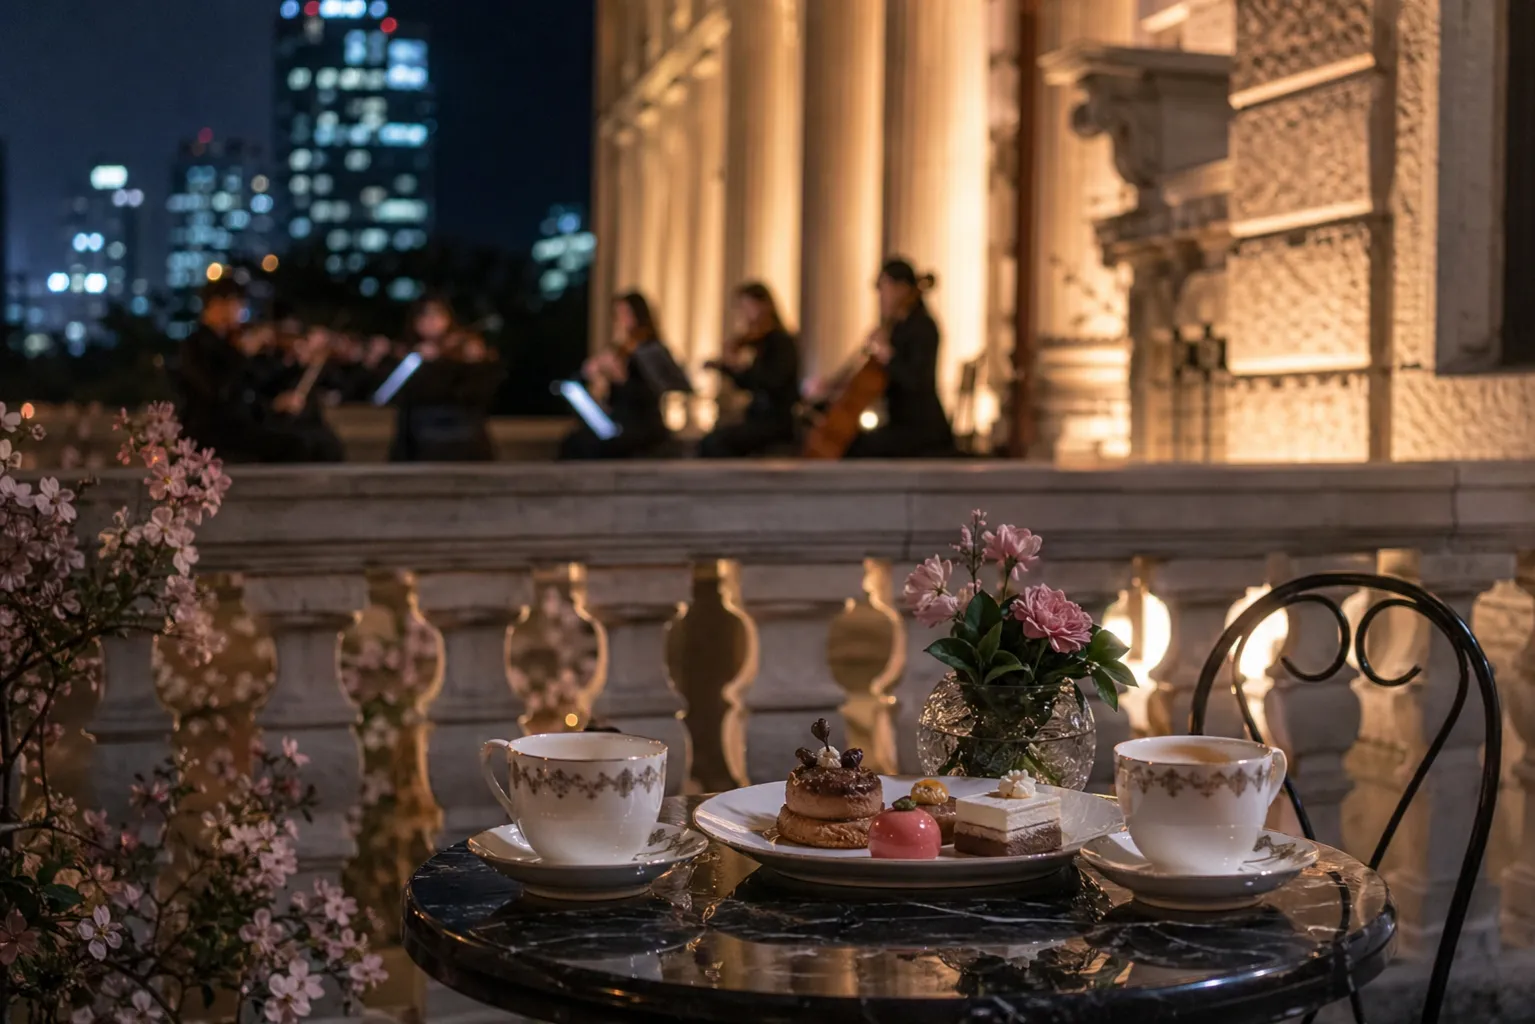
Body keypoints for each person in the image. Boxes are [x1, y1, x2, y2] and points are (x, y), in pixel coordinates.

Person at [174, 279, 341, 463]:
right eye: (237, 303)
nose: (241, 310)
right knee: (299, 445)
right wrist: (241, 354)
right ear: (217, 304)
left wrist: (295, 364)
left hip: (247, 421)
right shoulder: (195, 345)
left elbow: (259, 380)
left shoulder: (229, 343)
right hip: (218, 430)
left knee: (322, 438)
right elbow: (217, 391)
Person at [841, 258, 956, 459]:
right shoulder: (896, 329)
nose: (880, 296)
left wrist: (887, 355)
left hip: (921, 427)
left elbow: (916, 379)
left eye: (883, 287)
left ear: (902, 288)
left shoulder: (923, 327)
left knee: (858, 448)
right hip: (899, 422)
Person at [558, 292, 677, 460]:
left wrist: (621, 378)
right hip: (619, 420)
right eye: (617, 315)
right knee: (574, 440)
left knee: (590, 446)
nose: (621, 321)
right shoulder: (619, 350)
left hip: (642, 424)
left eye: (625, 314)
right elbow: (613, 400)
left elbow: (653, 392)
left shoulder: (650, 350)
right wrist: (598, 381)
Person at [386, 294, 501, 462]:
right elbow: (394, 395)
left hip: (464, 440)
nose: (431, 320)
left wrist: (473, 363)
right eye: (424, 314)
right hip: (419, 441)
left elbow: (477, 394)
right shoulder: (408, 356)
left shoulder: (466, 353)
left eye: (437, 314)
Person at [697, 282, 801, 458]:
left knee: (715, 443)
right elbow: (748, 384)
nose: (744, 314)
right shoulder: (759, 343)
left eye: (747, 307)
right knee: (711, 441)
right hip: (757, 417)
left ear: (764, 305)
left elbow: (770, 382)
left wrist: (739, 368)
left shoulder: (781, 343)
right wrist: (728, 369)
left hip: (776, 421)